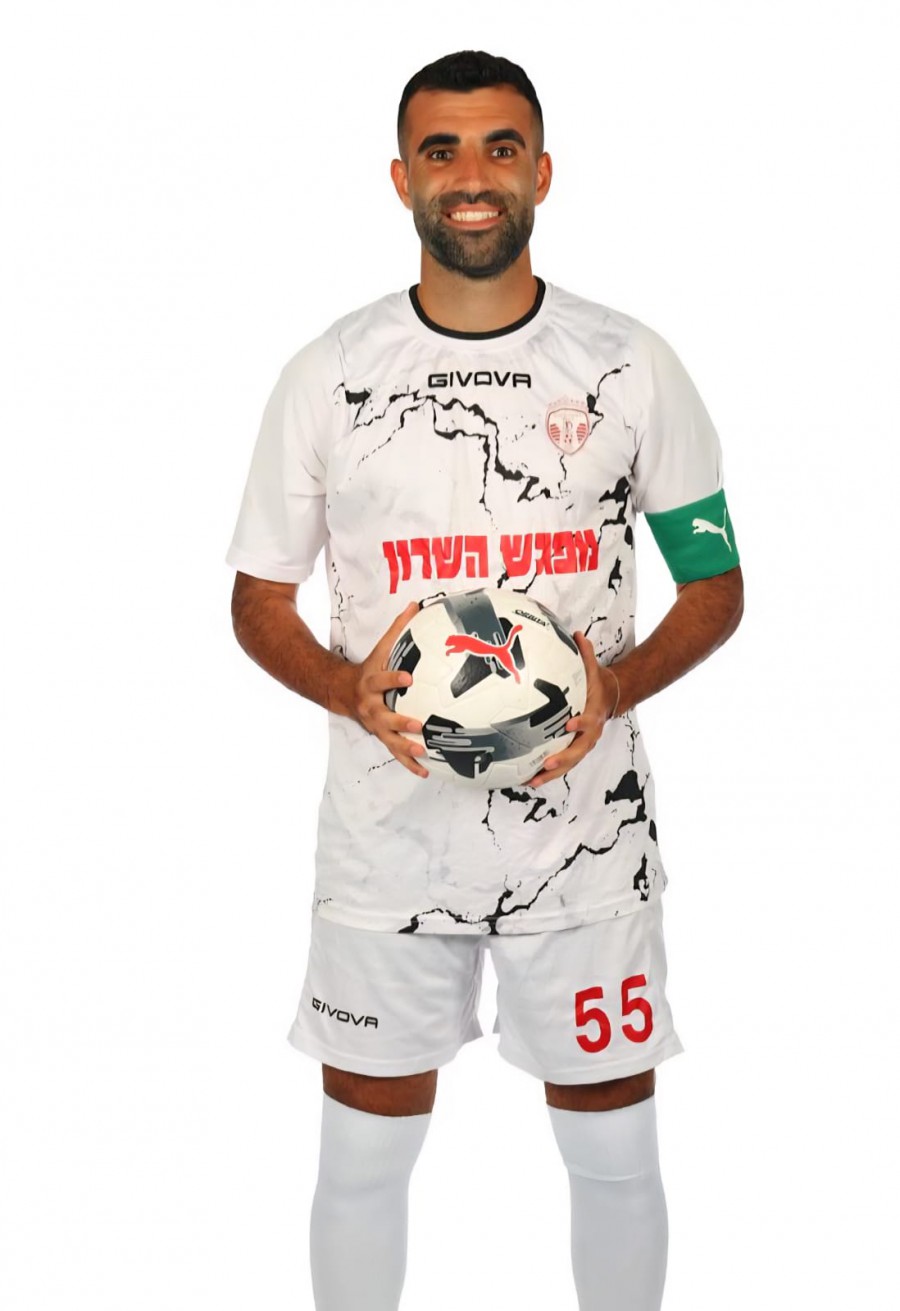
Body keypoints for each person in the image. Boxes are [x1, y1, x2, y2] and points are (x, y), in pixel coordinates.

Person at [226, 48, 743, 1311]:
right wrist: (348, 689)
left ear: (542, 174)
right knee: (364, 1155)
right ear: (401, 177)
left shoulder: (627, 363)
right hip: (388, 842)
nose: (472, 176)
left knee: (614, 1150)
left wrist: (615, 688)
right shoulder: (330, 372)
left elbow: (716, 586)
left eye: (500, 148)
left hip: (584, 839)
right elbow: (256, 600)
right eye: (443, 151)